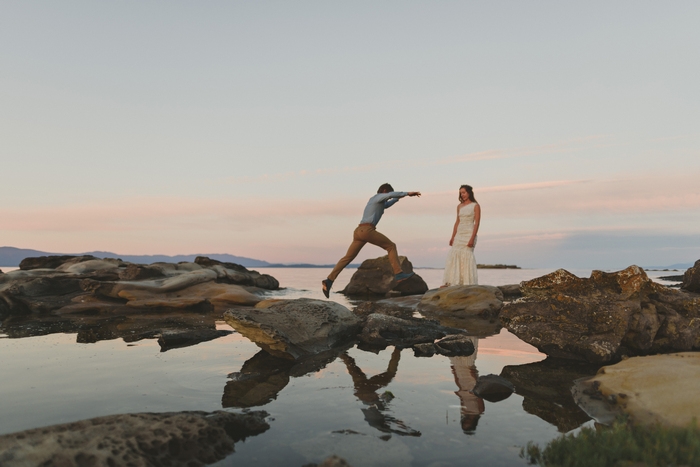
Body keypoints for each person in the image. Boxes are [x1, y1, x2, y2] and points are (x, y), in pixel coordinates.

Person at [322, 183, 421, 298]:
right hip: (367, 230)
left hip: (359, 231)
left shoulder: (378, 203)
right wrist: (407, 193)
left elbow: (389, 203)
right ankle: (399, 274)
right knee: (391, 246)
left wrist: (399, 198)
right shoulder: (376, 197)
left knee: (347, 258)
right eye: (387, 194)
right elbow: (390, 195)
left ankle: (329, 280)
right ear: (384, 191)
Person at [442, 184, 481, 286]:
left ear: (469, 192)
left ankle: (467, 283)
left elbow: (476, 223)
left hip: (469, 233)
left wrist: (472, 238)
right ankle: (452, 282)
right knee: (454, 255)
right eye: (460, 193)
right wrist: (452, 236)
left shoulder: (475, 206)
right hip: (459, 234)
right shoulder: (459, 206)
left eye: (464, 192)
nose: (462, 195)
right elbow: (457, 222)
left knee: (466, 256)